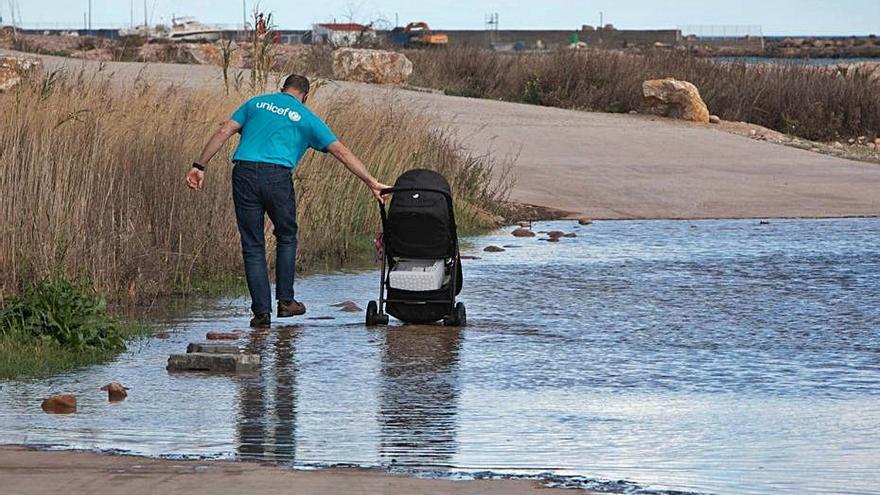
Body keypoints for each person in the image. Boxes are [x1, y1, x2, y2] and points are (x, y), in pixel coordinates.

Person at [186, 74, 390, 328]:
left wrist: (199, 165)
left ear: (282, 89)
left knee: (252, 245)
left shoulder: (256, 103)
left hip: (244, 172)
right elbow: (341, 152)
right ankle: (286, 301)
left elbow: (224, 130)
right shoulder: (307, 118)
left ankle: (261, 314)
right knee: (286, 235)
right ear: (305, 96)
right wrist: (371, 181)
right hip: (277, 177)